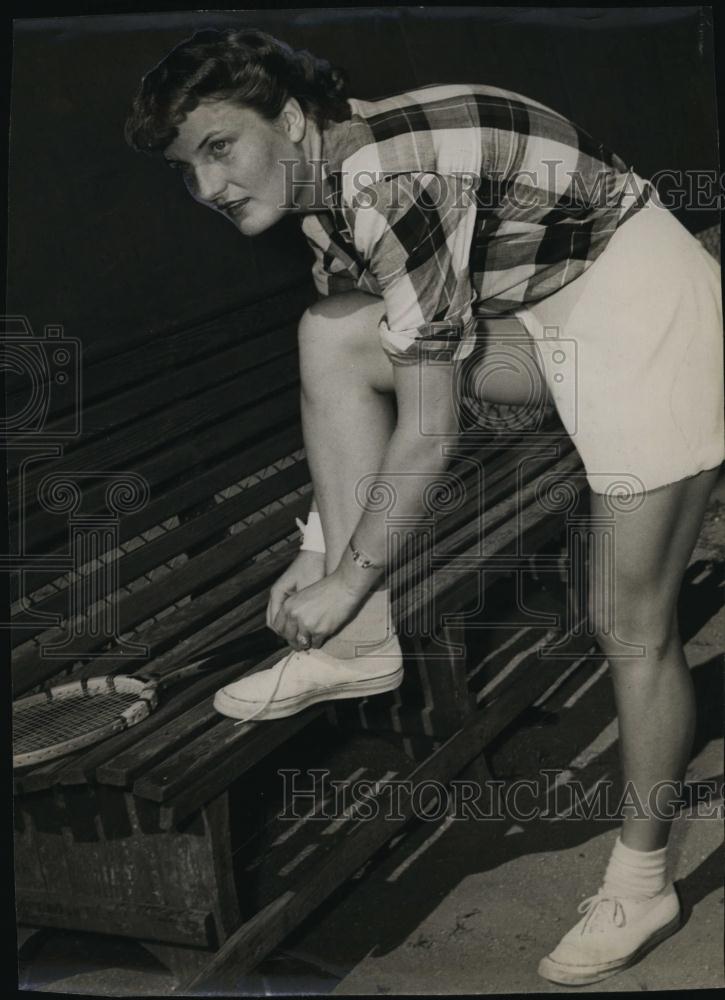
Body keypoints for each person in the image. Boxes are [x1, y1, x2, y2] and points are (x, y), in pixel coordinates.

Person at [125, 27, 724, 987]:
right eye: (185, 168)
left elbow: (432, 431)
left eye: (218, 148)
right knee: (330, 335)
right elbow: (382, 364)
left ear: (285, 119)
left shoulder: (380, 183)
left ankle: (642, 879)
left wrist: (352, 569)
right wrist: (322, 553)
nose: (206, 189)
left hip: (647, 308)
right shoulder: (322, 178)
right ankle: (358, 643)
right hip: (545, 311)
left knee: (628, 624)